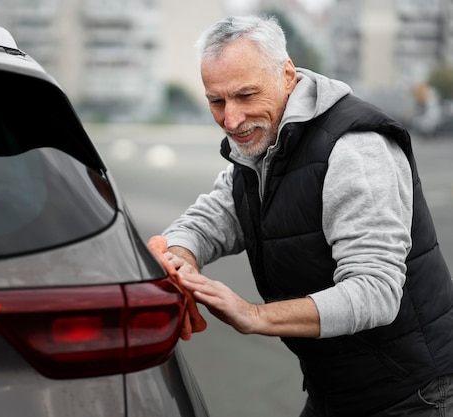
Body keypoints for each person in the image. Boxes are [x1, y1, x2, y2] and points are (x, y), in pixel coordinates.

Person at [160, 14, 453, 417]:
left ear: (286, 75)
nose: (231, 120)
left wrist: (254, 315)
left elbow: (376, 290)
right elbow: (211, 218)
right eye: (217, 101)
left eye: (246, 96)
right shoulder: (263, 144)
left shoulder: (354, 147)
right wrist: (179, 261)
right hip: (334, 389)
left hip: (414, 394)